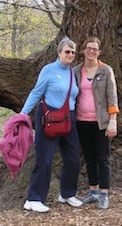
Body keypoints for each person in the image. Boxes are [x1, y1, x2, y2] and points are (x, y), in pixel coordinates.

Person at [20, 37, 83, 213]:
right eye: (67, 52)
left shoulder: (72, 72)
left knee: (72, 158)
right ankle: (33, 199)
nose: (70, 55)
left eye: (72, 52)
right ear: (59, 53)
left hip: (68, 119)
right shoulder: (48, 70)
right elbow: (36, 92)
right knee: (44, 160)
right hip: (49, 118)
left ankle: (67, 193)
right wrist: (23, 114)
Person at [74, 36, 119, 210]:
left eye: (95, 49)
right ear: (84, 50)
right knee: (89, 157)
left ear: (98, 52)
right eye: (88, 48)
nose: (91, 51)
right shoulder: (77, 71)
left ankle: (104, 193)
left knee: (103, 158)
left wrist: (113, 121)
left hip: (101, 123)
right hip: (82, 122)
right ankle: (92, 191)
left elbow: (112, 96)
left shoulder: (106, 70)